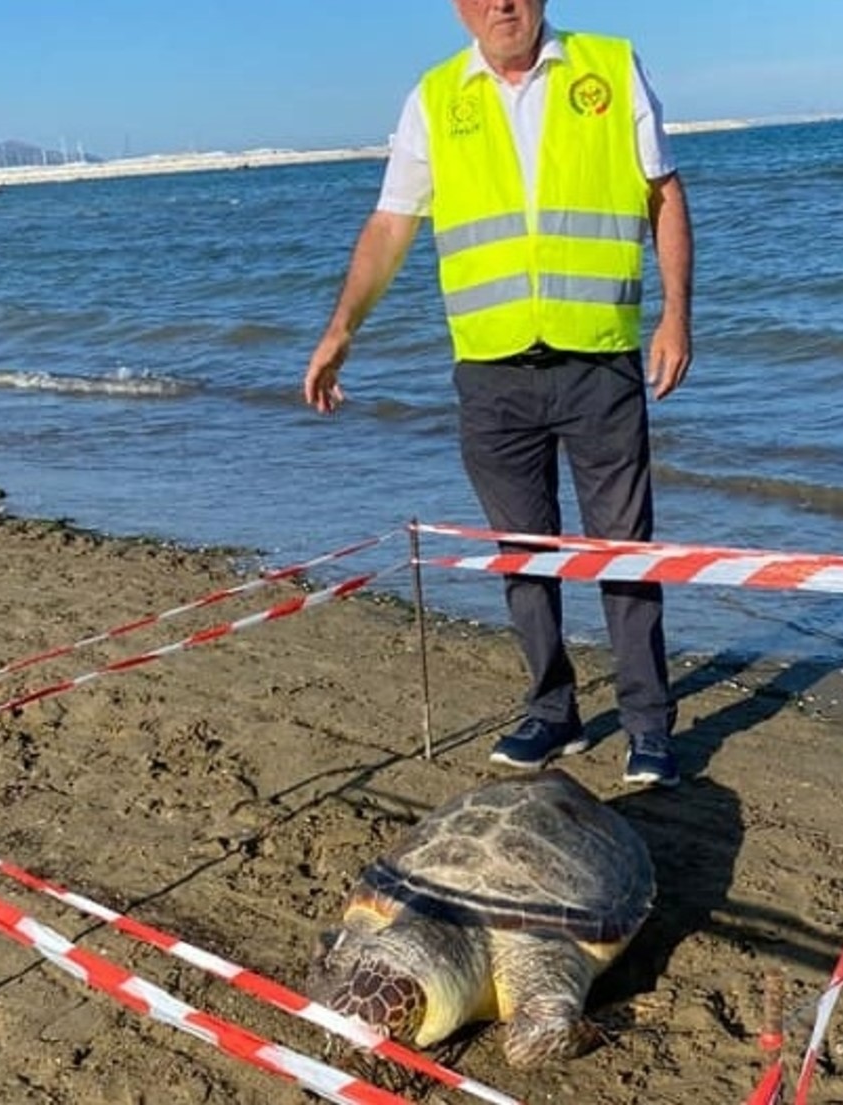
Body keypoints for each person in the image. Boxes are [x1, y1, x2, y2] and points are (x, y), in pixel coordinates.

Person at [302, 0, 694, 787]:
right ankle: (552, 710)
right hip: (490, 372)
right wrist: (342, 328)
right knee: (522, 553)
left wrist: (675, 316)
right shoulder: (434, 97)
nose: (501, 4)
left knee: (622, 549)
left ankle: (648, 725)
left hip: (598, 361)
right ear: (459, 8)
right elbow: (391, 223)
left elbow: (663, 193)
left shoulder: (609, 67)